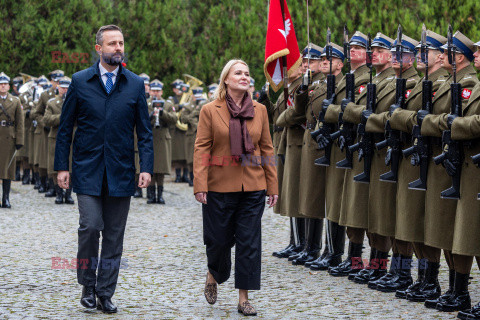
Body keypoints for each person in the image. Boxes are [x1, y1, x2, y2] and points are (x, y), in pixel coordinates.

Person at [54, 25, 153, 313]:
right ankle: (87, 285)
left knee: (114, 235)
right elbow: (64, 129)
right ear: (99, 49)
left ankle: (105, 292)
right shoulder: (80, 81)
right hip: (87, 170)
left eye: (121, 42)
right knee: (90, 226)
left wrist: (145, 166)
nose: (118, 47)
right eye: (112, 43)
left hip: (121, 172)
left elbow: (144, 132)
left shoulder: (134, 84)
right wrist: (62, 166)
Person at [193, 59, 278, 316]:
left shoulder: (260, 110)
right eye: (238, 73)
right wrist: (200, 183)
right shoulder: (210, 110)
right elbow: (201, 149)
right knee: (218, 241)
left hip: (253, 186)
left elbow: (266, 148)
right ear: (226, 80)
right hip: (219, 186)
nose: (244, 76)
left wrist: (272, 185)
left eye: (247, 73)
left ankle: (244, 298)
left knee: (249, 243)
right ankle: (213, 272)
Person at [420, 30, 478, 313]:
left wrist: (448, 124)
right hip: (453, 161)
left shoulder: (469, 84)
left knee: (466, 232)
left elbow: (470, 121)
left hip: (465, 163)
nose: (442, 56)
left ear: (459, 57)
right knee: (450, 229)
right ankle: (456, 291)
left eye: (447, 52)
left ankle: (460, 291)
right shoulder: (453, 83)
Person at [388, 30, 449, 300]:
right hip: (410, 155)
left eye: (428, 51)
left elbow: (426, 119)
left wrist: (402, 116)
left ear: (439, 56)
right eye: (421, 50)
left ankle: (430, 279)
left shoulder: (442, 83)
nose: (421, 56)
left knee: (425, 221)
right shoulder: (419, 82)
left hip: (429, 157)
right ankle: (420, 277)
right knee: (410, 219)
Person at [43, 76, 75, 204]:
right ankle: (58, 193)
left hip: (71, 138)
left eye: (67, 87)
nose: (65, 90)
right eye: (62, 87)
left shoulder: (75, 102)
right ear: (58, 88)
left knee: (71, 165)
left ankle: (68, 194)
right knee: (55, 166)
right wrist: (62, 117)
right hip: (55, 137)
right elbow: (47, 119)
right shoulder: (52, 103)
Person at [146, 79, 177, 203]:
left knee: (161, 168)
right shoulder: (146, 103)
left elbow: (174, 119)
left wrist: (162, 113)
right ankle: (152, 195)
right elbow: (141, 119)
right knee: (151, 167)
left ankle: (160, 194)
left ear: (162, 92)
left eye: (158, 91)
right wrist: (152, 114)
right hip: (150, 137)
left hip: (163, 137)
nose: (155, 93)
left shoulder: (168, 104)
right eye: (153, 90)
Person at [0, 72, 24, 208]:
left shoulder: (15, 101)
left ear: (8, 86)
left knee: (8, 170)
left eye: (4, 84)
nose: (3, 86)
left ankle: (6, 199)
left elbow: (20, 123)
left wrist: (19, 140)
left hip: (9, 138)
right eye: (1, 84)